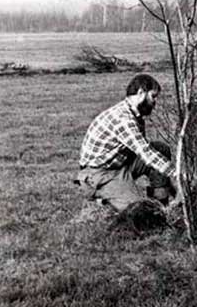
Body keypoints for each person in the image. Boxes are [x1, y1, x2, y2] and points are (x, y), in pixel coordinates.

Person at [75, 74, 177, 212]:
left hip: (120, 164)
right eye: (153, 96)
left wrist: (170, 186)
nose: (155, 102)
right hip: (100, 174)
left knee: (160, 149)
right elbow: (145, 153)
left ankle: (162, 204)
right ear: (141, 93)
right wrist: (177, 174)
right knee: (139, 211)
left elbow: (148, 152)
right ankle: (102, 200)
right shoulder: (124, 119)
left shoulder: (136, 115)